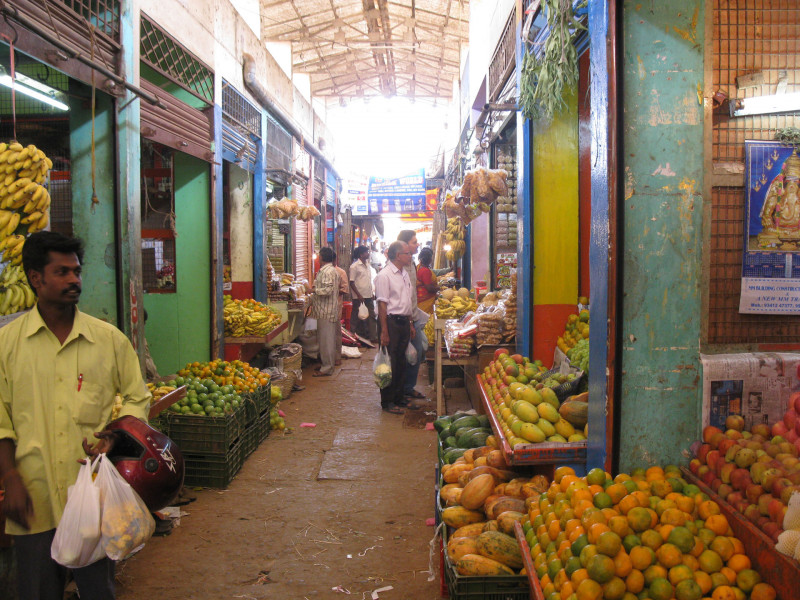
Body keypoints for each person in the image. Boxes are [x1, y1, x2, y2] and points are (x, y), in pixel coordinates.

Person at [0, 231, 151, 600]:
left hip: (94, 496)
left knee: (98, 590)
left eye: (77, 271)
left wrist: (117, 435)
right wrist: (10, 477)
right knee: (37, 591)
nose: (74, 280)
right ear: (36, 278)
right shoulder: (7, 344)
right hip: (33, 496)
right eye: (62, 272)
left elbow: (137, 396)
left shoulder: (109, 340)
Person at [373, 241, 417, 414]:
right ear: (398, 256)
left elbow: (407, 301)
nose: (410, 256)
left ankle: (399, 397)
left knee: (401, 361)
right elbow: (382, 305)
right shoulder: (385, 275)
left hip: (404, 321)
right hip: (390, 322)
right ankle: (388, 401)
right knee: (389, 363)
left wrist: (410, 323)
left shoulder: (404, 274)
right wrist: (384, 331)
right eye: (407, 253)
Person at [397, 230, 426, 401]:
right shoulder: (397, 268)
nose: (417, 245)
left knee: (417, 353)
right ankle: (402, 390)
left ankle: (408, 387)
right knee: (404, 355)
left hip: (414, 316)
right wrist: (409, 322)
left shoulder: (412, 263)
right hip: (403, 319)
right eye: (414, 242)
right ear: (404, 245)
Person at [310, 247, 340, 377]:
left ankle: (327, 368)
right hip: (325, 310)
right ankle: (326, 364)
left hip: (326, 311)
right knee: (325, 340)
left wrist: (313, 291)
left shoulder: (328, 271)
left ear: (322, 257)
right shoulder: (328, 270)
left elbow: (328, 290)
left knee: (326, 341)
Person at [349, 245, 377, 342]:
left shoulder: (368, 265)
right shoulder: (354, 266)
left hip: (368, 295)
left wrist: (371, 292)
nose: (368, 254)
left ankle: (373, 337)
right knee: (356, 316)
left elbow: (368, 280)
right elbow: (351, 282)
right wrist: (358, 295)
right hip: (359, 296)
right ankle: (354, 335)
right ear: (361, 255)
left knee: (371, 316)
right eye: (366, 252)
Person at [333, 259, 349, 365]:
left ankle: (337, 357)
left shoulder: (340, 272)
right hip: (324, 309)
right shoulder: (322, 271)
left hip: (336, 306)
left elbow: (345, 289)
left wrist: (332, 292)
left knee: (336, 332)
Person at [416, 247, 439, 314]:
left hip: (419, 300)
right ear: (430, 259)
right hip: (425, 302)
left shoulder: (418, 267)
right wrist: (438, 288)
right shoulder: (425, 271)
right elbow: (429, 287)